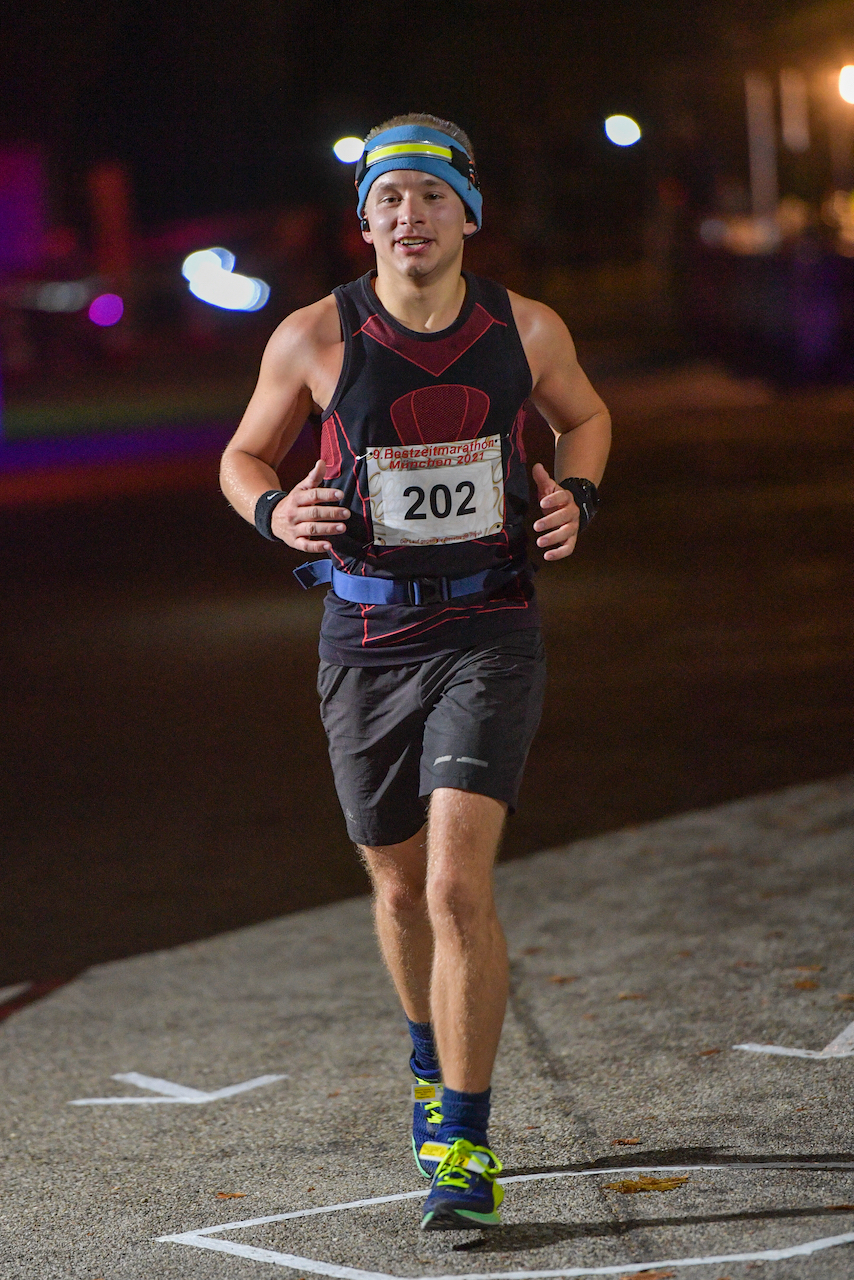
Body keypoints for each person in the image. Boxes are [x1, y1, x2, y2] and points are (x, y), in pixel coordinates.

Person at [219, 113, 611, 1231]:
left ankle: (465, 1141)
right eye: (389, 199)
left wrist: (575, 495)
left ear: (465, 213)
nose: (410, 215)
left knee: (451, 886)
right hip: (365, 638)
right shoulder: (312, 337)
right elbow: (242, 452)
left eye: (432, 197)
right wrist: (272, 506)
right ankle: (423, 1052)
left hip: (489, 628)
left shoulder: (523, 327)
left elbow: (583, 418)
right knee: (395, 886)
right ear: (365, 220)